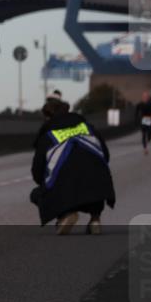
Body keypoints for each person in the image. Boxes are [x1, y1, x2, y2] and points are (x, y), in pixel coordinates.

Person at [29, 91, 116, 235]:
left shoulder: (48, 136)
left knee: (37, 194)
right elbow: (105, 155)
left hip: (66, 190)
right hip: (98, 187)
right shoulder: (87, 127)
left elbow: (37, 172)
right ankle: (95, 219)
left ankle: (65, 214)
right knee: (94, 178)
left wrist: (45, 182)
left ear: (48, 117)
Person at [136, 91, 151, 156]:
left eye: (147, 97)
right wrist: (137, 120)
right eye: (144, 97)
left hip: (150, 120)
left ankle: (149, 138)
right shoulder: (140, 104)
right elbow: (136, 112)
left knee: (149, 133)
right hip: (143, 120)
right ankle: (145, 149)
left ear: (148, 98)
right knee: (143, 134)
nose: (145, 98)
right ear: (142, 97)